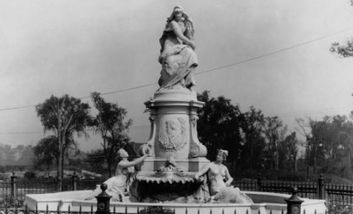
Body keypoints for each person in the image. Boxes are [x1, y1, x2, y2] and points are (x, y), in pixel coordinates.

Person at [158, 6, 198, 89]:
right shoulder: (173, 23)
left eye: (179, 12)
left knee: (191, 54)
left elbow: (189, 36)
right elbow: (179, 35)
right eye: (176, 12)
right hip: (170, 46)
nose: (177, 14)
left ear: (182, 13)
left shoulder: (184, 23)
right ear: (174, 14)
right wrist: (191, 43)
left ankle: (188, 81)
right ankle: (171, 82)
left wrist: (190, 26)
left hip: (179, 46)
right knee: (188, 52)